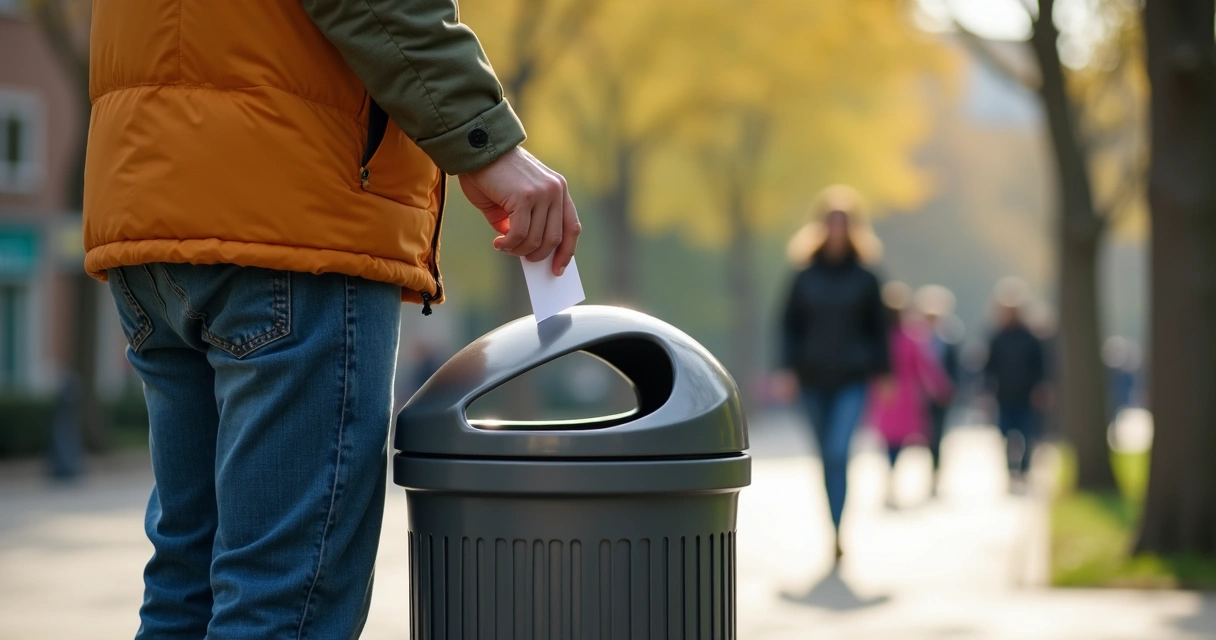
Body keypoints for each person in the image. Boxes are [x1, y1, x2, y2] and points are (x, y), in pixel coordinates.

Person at [84, 1, 580, 637]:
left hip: (146, 211)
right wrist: (484, 140)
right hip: (291, 219)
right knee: (282, 598)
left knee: (188, 585)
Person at [776, 185, 889, 562]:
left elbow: (879, 329)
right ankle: (832, 527)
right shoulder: (804, 276)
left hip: (851, 380)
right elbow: (788, 325)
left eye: (845, 222)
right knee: (826, 456)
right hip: (811, 379)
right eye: (831, 221)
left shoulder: (868, 278)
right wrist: (786, 370)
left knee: (840, 452)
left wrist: (884, 373)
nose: (838, 229)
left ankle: (840, 531)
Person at [869, 282, 952, 508]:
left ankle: (891, 482)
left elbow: (924, 367)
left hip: (890, 398)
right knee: (897, 445)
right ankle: (892, 482)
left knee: (891, 445)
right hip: (900, 398)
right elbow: (927, 368)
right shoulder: (908, 337)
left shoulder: (894, 338)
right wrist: (941, 388)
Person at [984, 280, 1047, 487]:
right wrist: (986, 393)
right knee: (1006, 435)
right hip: (1004, 395)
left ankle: (1024, 470)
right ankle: (1010, 470)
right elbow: (989, 367)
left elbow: (1041, 366)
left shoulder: (1030, 338)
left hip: (1027, 394)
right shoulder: (996, 337)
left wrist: (1042, 388)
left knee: (1026, 435)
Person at [914, 284, 963, 493]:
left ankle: (934, 474)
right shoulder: (915, 339)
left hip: (941, 397)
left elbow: (956, 368)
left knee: (937, 436)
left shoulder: (950, 338)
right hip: (919, 397)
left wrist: (951, 390)